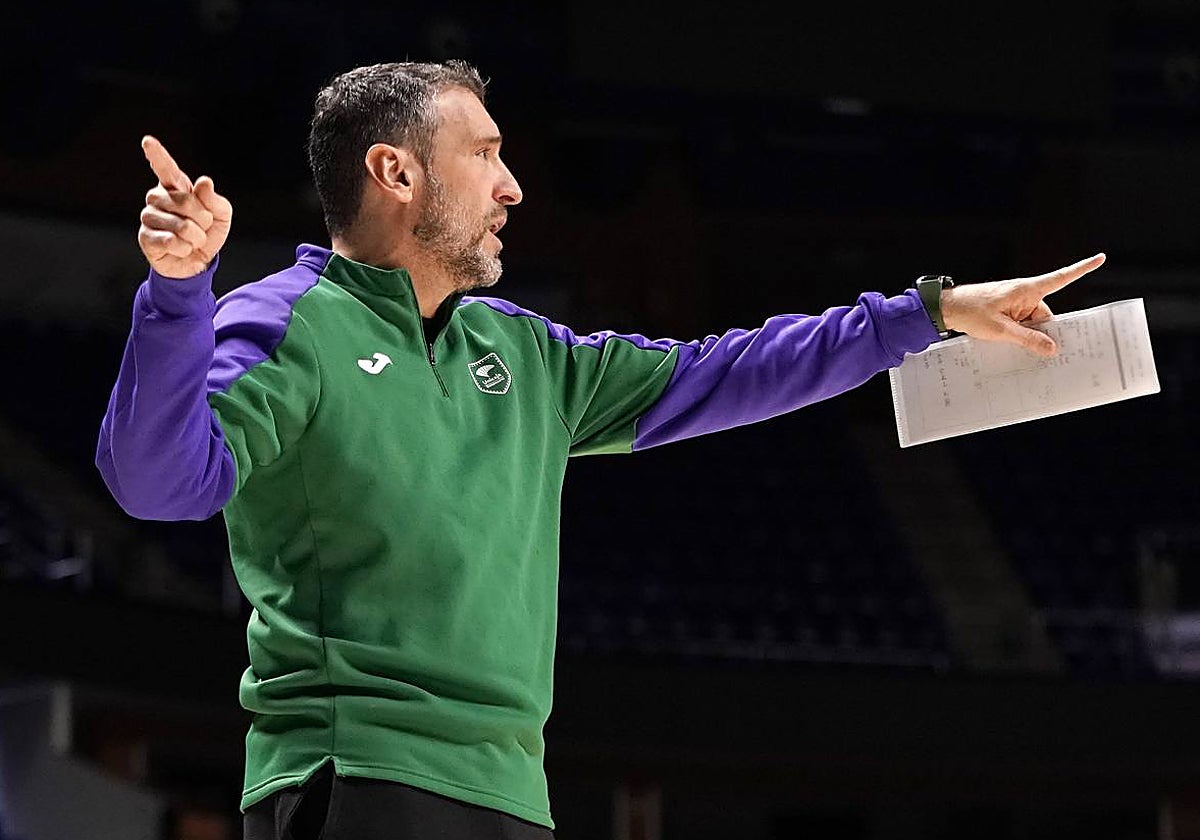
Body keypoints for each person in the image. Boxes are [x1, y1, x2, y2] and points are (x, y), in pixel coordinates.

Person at [95, 60, 1105, 840]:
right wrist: (179, 294)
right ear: (395, 172)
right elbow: (155, 484)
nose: (512, 187)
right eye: (485, 155)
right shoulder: (287, 323)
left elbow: (726, 371)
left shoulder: (527, 353)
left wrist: (927, 315)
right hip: (358, 778)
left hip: (510, 789)